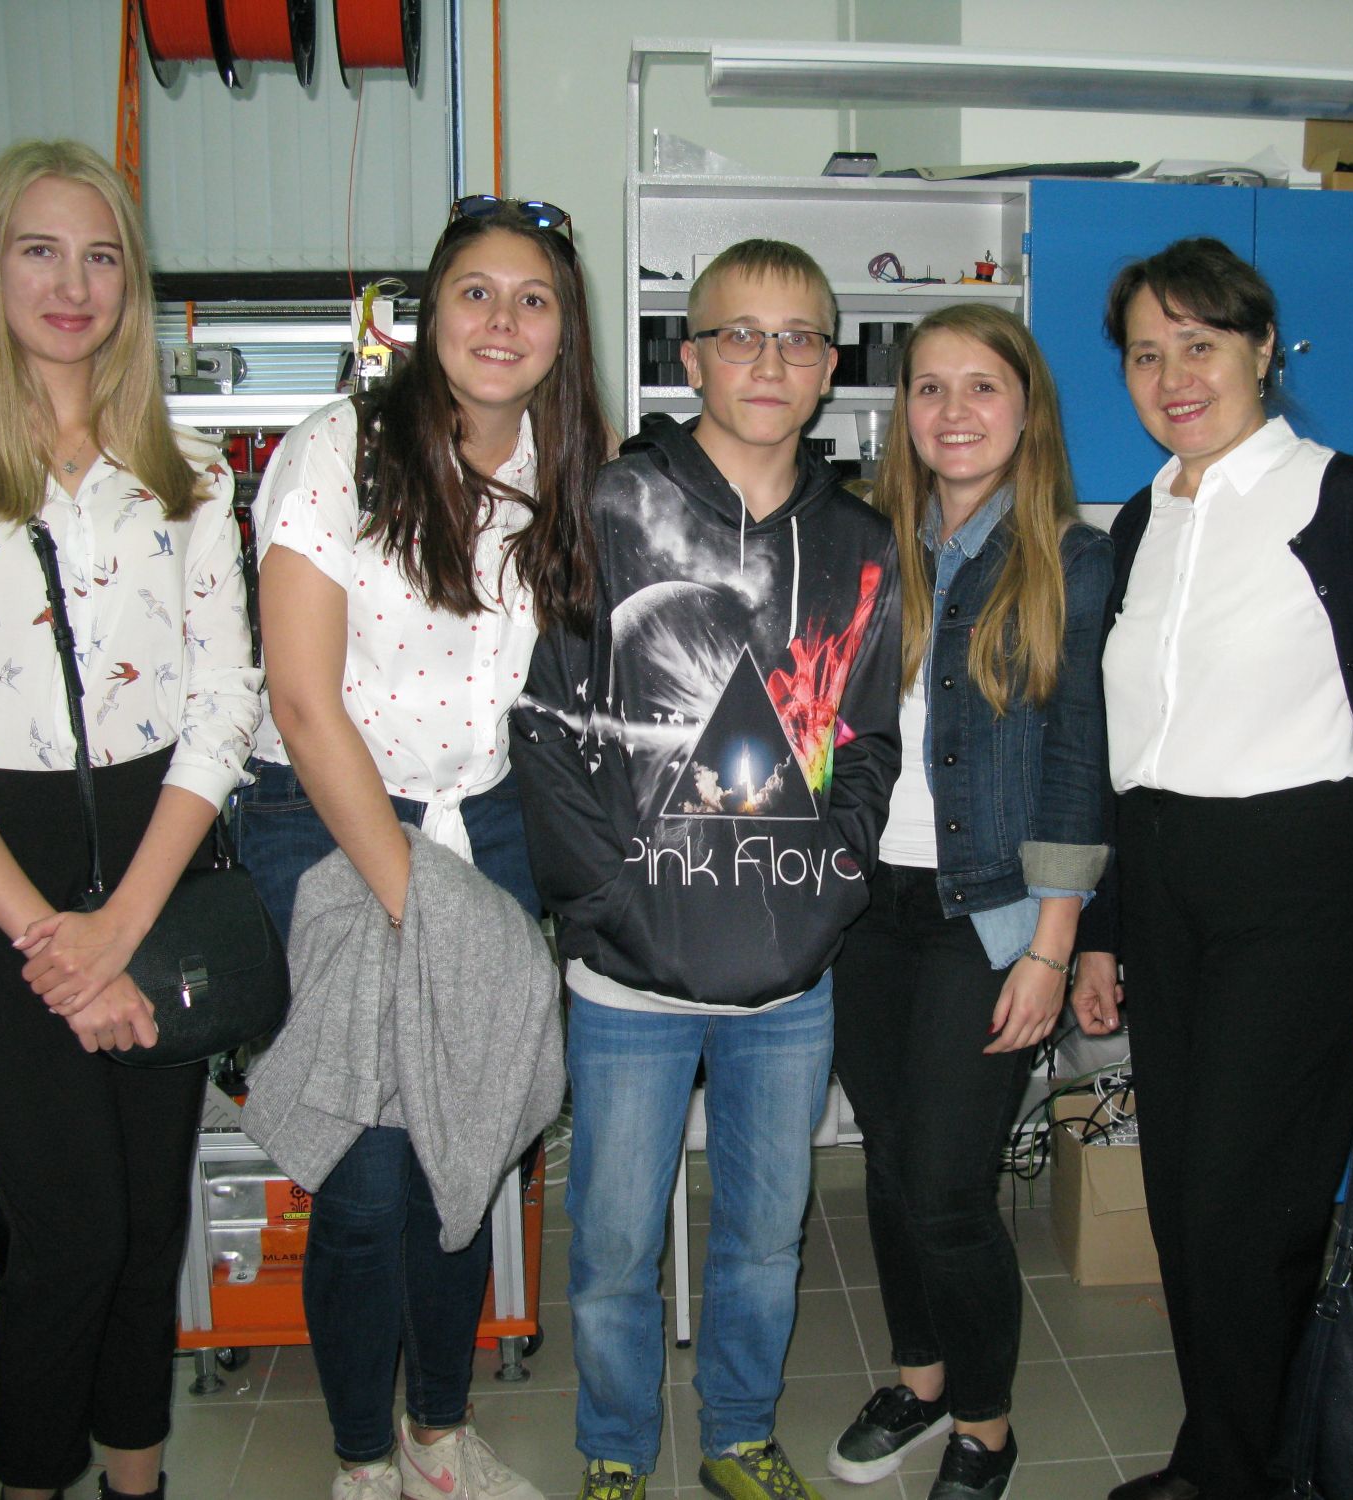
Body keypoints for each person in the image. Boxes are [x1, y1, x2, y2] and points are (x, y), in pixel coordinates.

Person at [0, 139, 261, 1500]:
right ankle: (34, 1479)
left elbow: (223, 708)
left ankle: (134, 1482)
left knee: (147, 1226)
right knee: (72, 1230)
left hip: (158, 867)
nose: (72, 283)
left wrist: (122, 929)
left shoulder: (190, 477)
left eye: (101, 257)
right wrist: (60, 945)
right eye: (39, 251)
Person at [512, 238, 902, 1500]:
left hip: (788, 978)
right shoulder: (606, 511)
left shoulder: (862, 541)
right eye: (740, 334)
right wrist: (608, 909)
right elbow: (546, 729)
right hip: (627, 974)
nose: (768, 361)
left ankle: (737, 1433)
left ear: (830, 365)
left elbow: (869, 740)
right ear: (691, 358)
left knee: (763, 1240)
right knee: (613, 1247)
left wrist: (828, 892)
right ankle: (615, 1450)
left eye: (797, 338)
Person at [235, 196, 606, 1500]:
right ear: (429, 313)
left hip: (482, 820)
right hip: (327, 821)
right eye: (475, 292)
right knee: (372, 1176)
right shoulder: (340, 450)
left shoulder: (565, 474)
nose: (502, 321)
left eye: (533, 298)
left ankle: (437, 1437)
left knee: (466, 1146)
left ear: (564, 330)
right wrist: (422, 911)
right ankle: (360, 1458)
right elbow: (300, 700)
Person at [1065, 237, 1353, 1500]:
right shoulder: (1138, 520)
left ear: (1262, 350)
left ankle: (1248, 1471)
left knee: (1241, 1207)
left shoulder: (1342, 500)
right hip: (1165, 881)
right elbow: (1125, 750)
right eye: (1144, 355)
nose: (1172, 377)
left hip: (1299, 884)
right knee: (1182, 1197)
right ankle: (1230, 1452)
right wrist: (1103, 924)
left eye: (1199, 345)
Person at [824, 305, 1110, 1500]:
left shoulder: (1069, 560)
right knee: (891, 1165)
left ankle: (985, 1429)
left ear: (1025, 408)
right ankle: (920, 1379)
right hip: (858, 907)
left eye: (981, 386)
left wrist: (1051, 949)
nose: (952, 411)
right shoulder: (862, 543)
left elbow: (1077, 764)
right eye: (928, 388)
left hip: (983, 916)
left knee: (947, 1185)